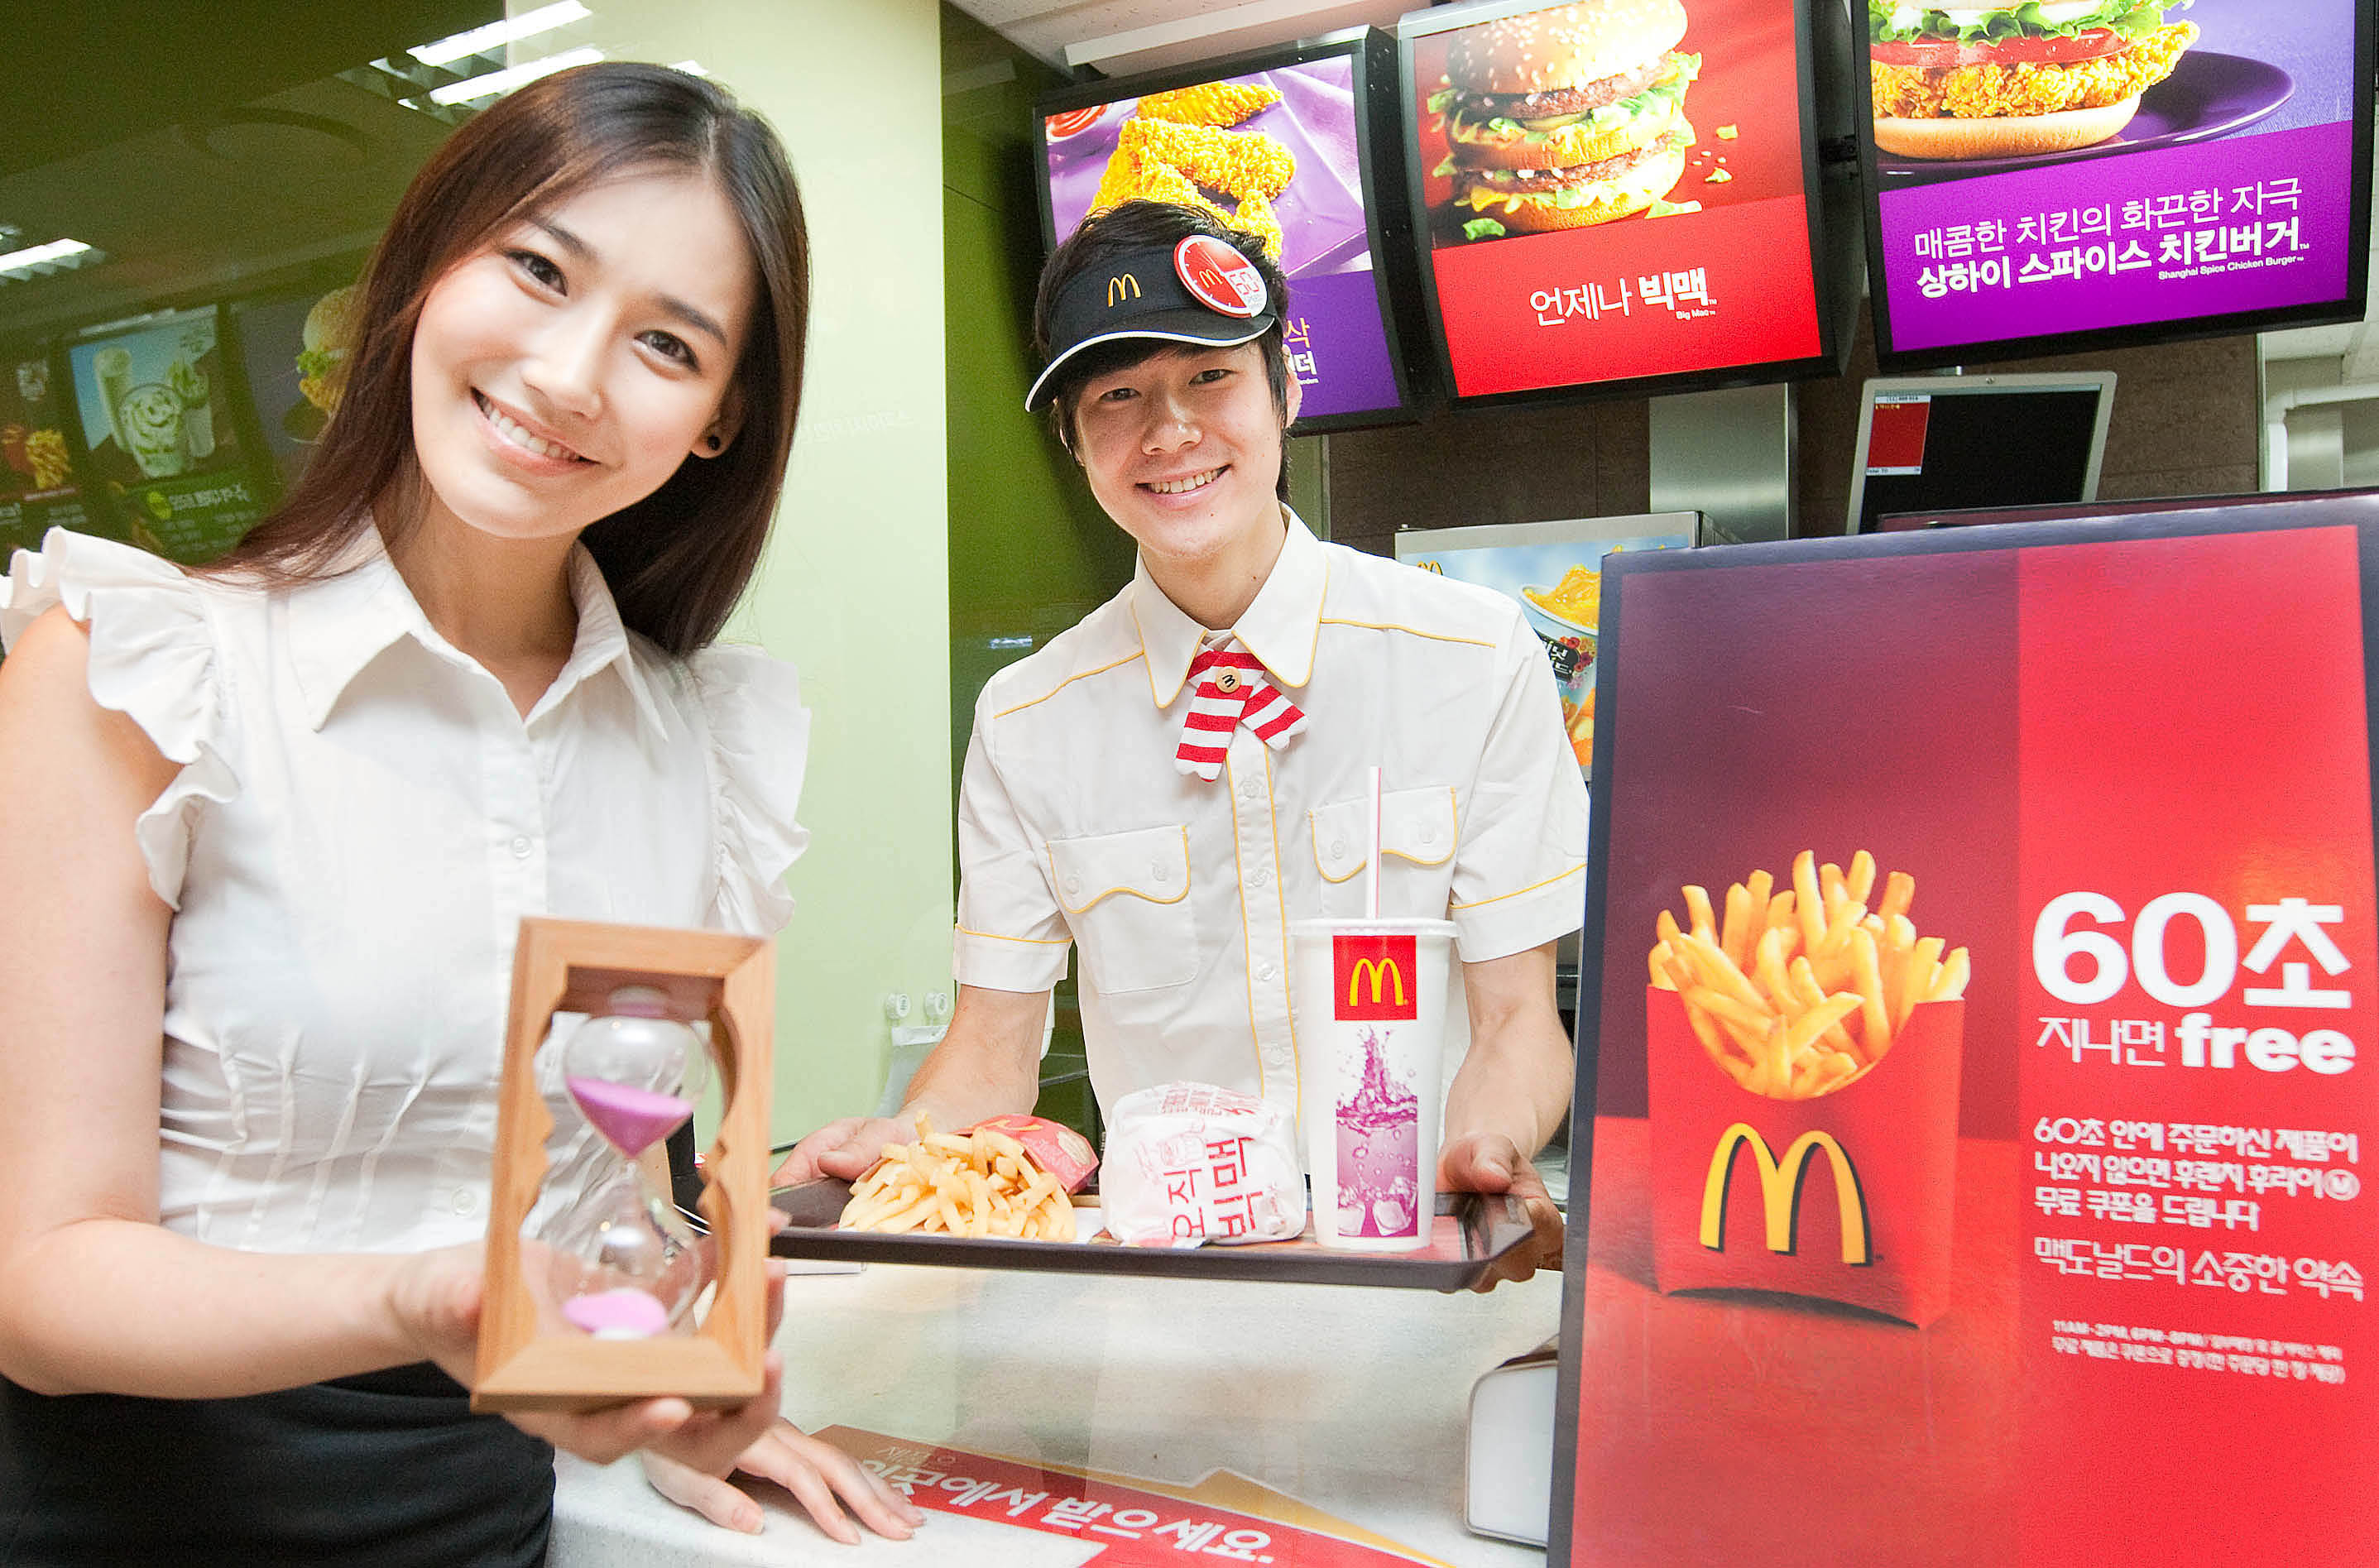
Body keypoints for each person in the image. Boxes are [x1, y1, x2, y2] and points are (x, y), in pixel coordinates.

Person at [0, 63, 919, 1561]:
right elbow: (38, 1286)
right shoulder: (136, 674)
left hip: (492, 1524)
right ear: (429, 268)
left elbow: (629, 1173)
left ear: (718, 421)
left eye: (667, 344)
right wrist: (420, 1298)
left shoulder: (698, 743)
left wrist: (665, 1383)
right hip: (136, 1520)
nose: (569, 375)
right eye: (540, 270)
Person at [780, 199, 1585, 1288]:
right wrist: (905, 1141)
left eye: (1210, 377)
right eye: (1117, 397)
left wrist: (1481, 1151)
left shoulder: (1472, 656)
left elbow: (1517, 1016)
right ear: (1073, 443)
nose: (1169, 434)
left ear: (1285, 390)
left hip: (1415, 1256)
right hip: (1165, 1291)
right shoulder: (1027, 720)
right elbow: (994, 1044)